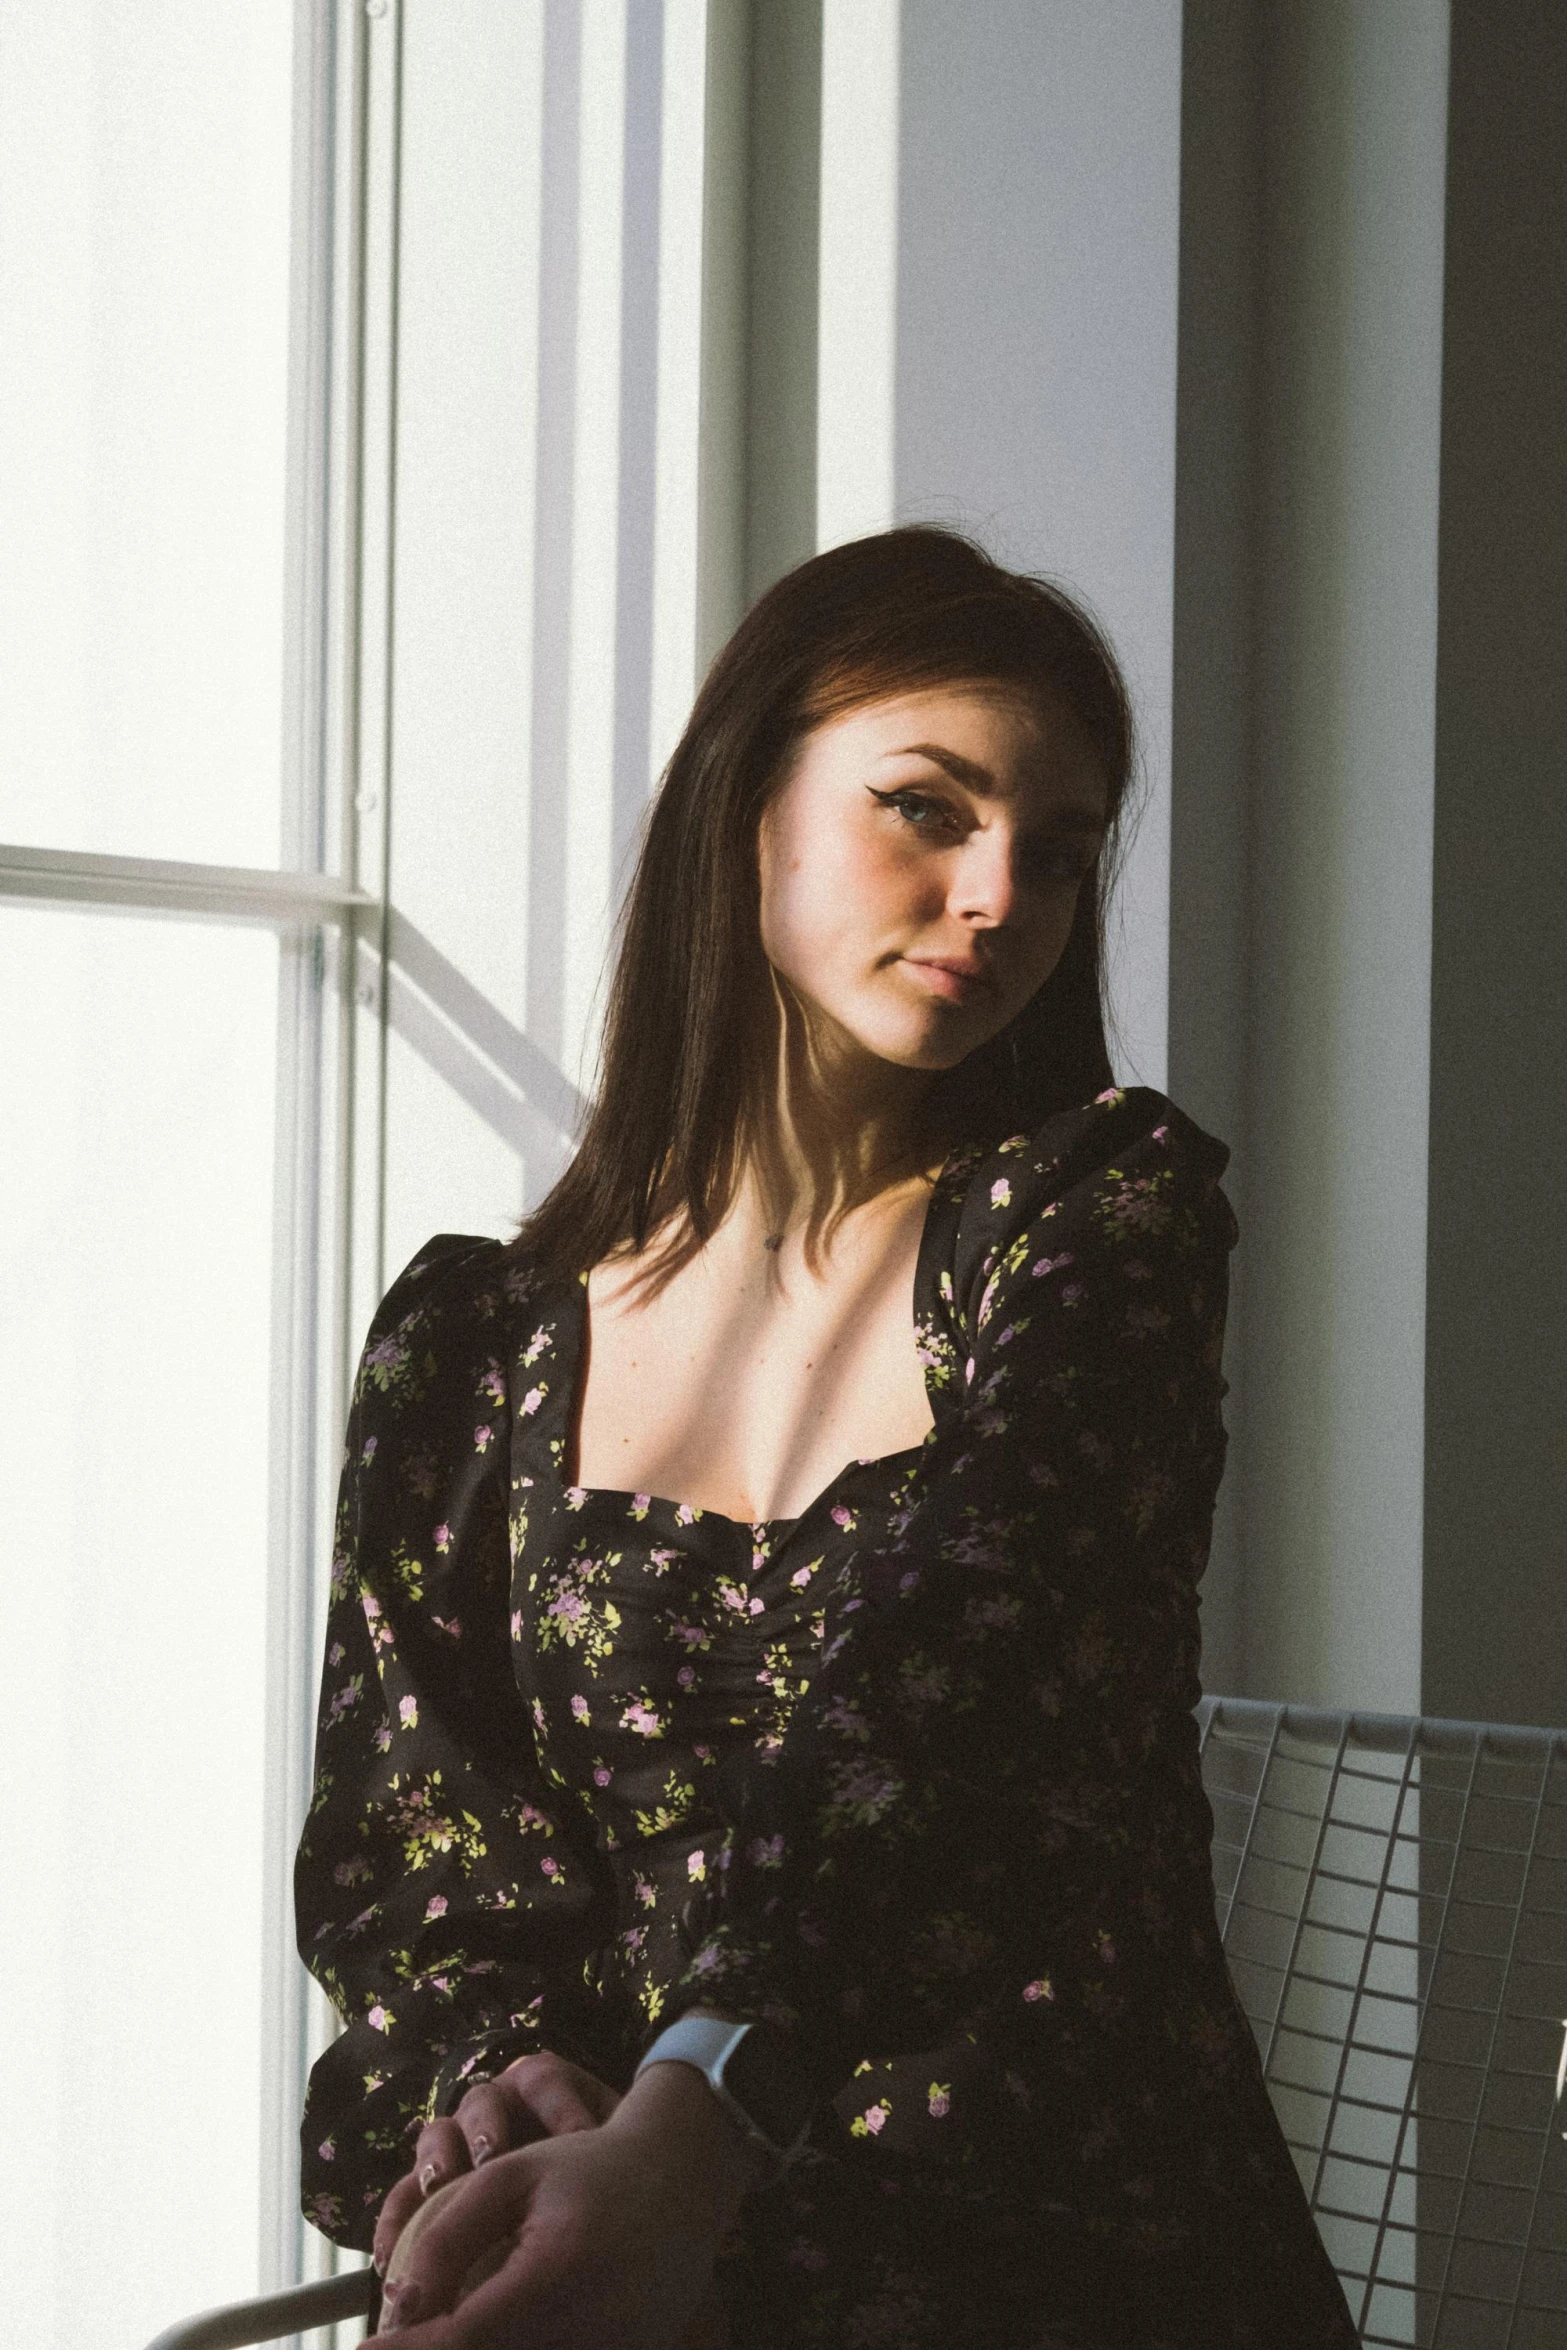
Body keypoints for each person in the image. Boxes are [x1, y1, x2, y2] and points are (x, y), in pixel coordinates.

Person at [295, 526, 1360, 2348]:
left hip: (1059, 2247)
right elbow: (418, 1840)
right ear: (746, 807)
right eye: (927, 808)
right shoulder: (466, 1343)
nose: (1001, 890)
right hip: (634, 2257)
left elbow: (979, 1679)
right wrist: (499, 2077)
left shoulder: (1094, 1217)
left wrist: (700, 2107)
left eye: (1063, 845)